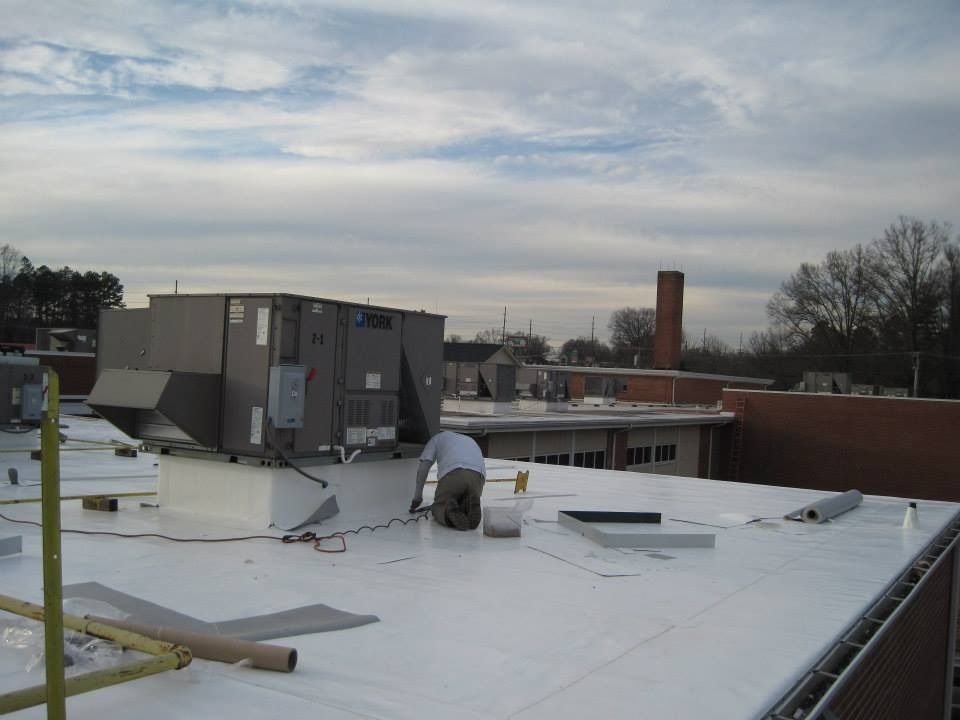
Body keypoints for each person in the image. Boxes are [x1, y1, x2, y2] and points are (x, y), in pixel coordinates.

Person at [410, 431, 485, 530]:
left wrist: (417, 498)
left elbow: (423, 468)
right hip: (478, 478)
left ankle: (447, 512)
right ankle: (469, 503)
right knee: (461, 501)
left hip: (455, 473)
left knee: (438, 506)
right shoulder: (469, 440)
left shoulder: (435, 439)